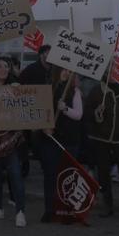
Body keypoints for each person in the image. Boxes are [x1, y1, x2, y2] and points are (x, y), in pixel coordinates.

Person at [86, 74, 119, 218]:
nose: (113, 73)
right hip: (101, 138)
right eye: (110, 69)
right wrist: (96, 113)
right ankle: (107, 204)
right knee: (102, 171)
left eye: (116, 69)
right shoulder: (96, 91)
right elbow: (87, 111)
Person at [0, 57, 27, 228]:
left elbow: (26, 109)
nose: (3, 69)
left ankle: (20, 212)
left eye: (6, 66)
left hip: (12, 139)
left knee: (16, 176)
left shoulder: (16, 88)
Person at [39, 72, 84, 223]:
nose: (65, 72)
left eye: (69, 70)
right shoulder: (49, 88)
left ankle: (66, 211)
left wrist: (65, 109)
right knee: (50, 175)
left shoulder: (75, 91)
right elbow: (41, 109)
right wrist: (44, 127)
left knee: (68, 177)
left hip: (69, 140)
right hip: (51, 138)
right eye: (63, 68)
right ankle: (49, 210)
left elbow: (78, 114)